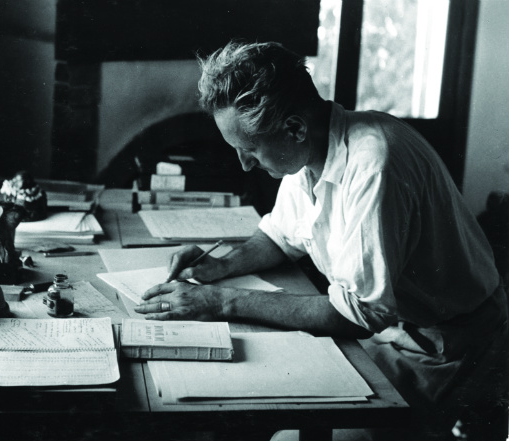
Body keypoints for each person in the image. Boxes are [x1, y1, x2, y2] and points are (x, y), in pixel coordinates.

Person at [134, 41, 509, 440]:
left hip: (448, 344)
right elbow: (279, 238)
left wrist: (221, 300)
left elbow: (359, 314)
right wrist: (223, 265)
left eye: (249, 150)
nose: (244, 164)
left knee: (295, 436)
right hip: (394, 328)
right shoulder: (308, 149)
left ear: (294, 128)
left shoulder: (373, 165)